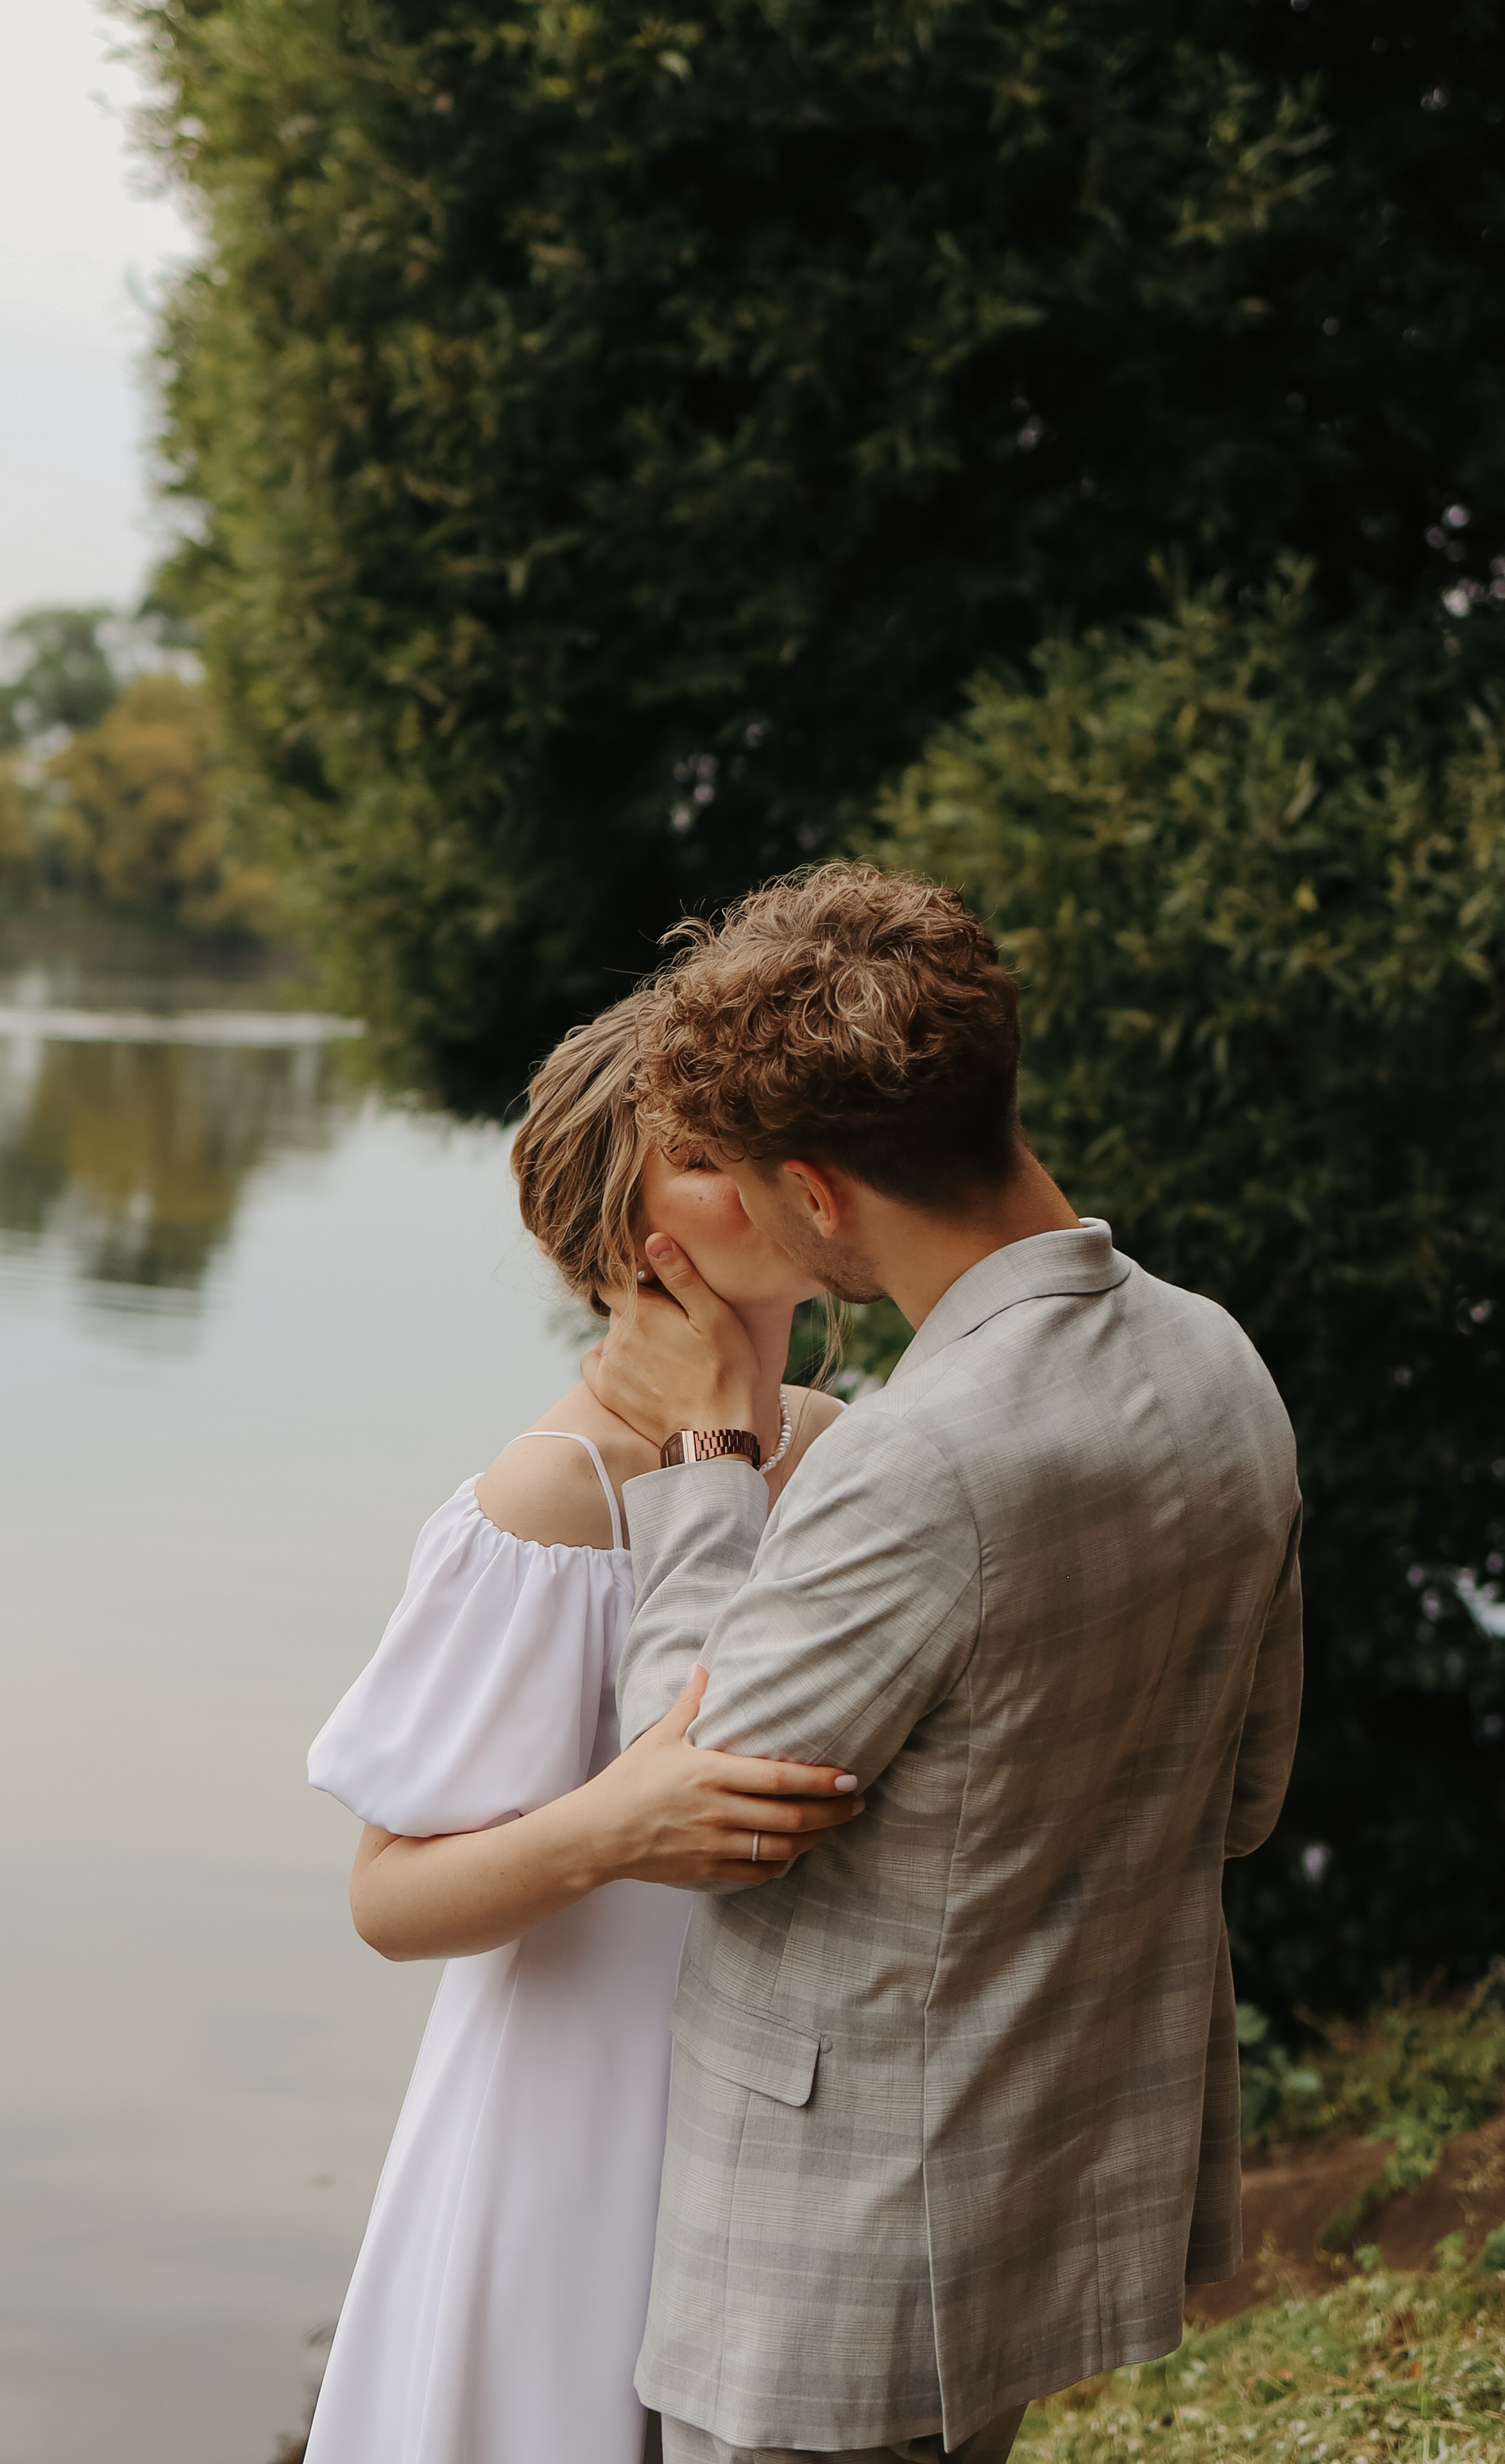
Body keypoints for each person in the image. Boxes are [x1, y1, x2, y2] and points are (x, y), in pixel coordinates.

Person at [588, 863, 1304, 2464]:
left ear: (816, 1195)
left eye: (741, 1182)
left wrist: (703, 1454)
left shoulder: (911, 1460)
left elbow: (683, 1807)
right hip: (1044, 2168)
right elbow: (1244, 1796)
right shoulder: (1217, 1357)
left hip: (832, 2244)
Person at [301, 992, 858, 2464]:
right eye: (704, 1156)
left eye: (771, 1134)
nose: (761, 1174)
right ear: (624, 1234)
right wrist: (610, 1829)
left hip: (793, 2113)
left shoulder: (845, 1454)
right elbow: (386, 1900)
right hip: (569, 2121)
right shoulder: (551, 1498)